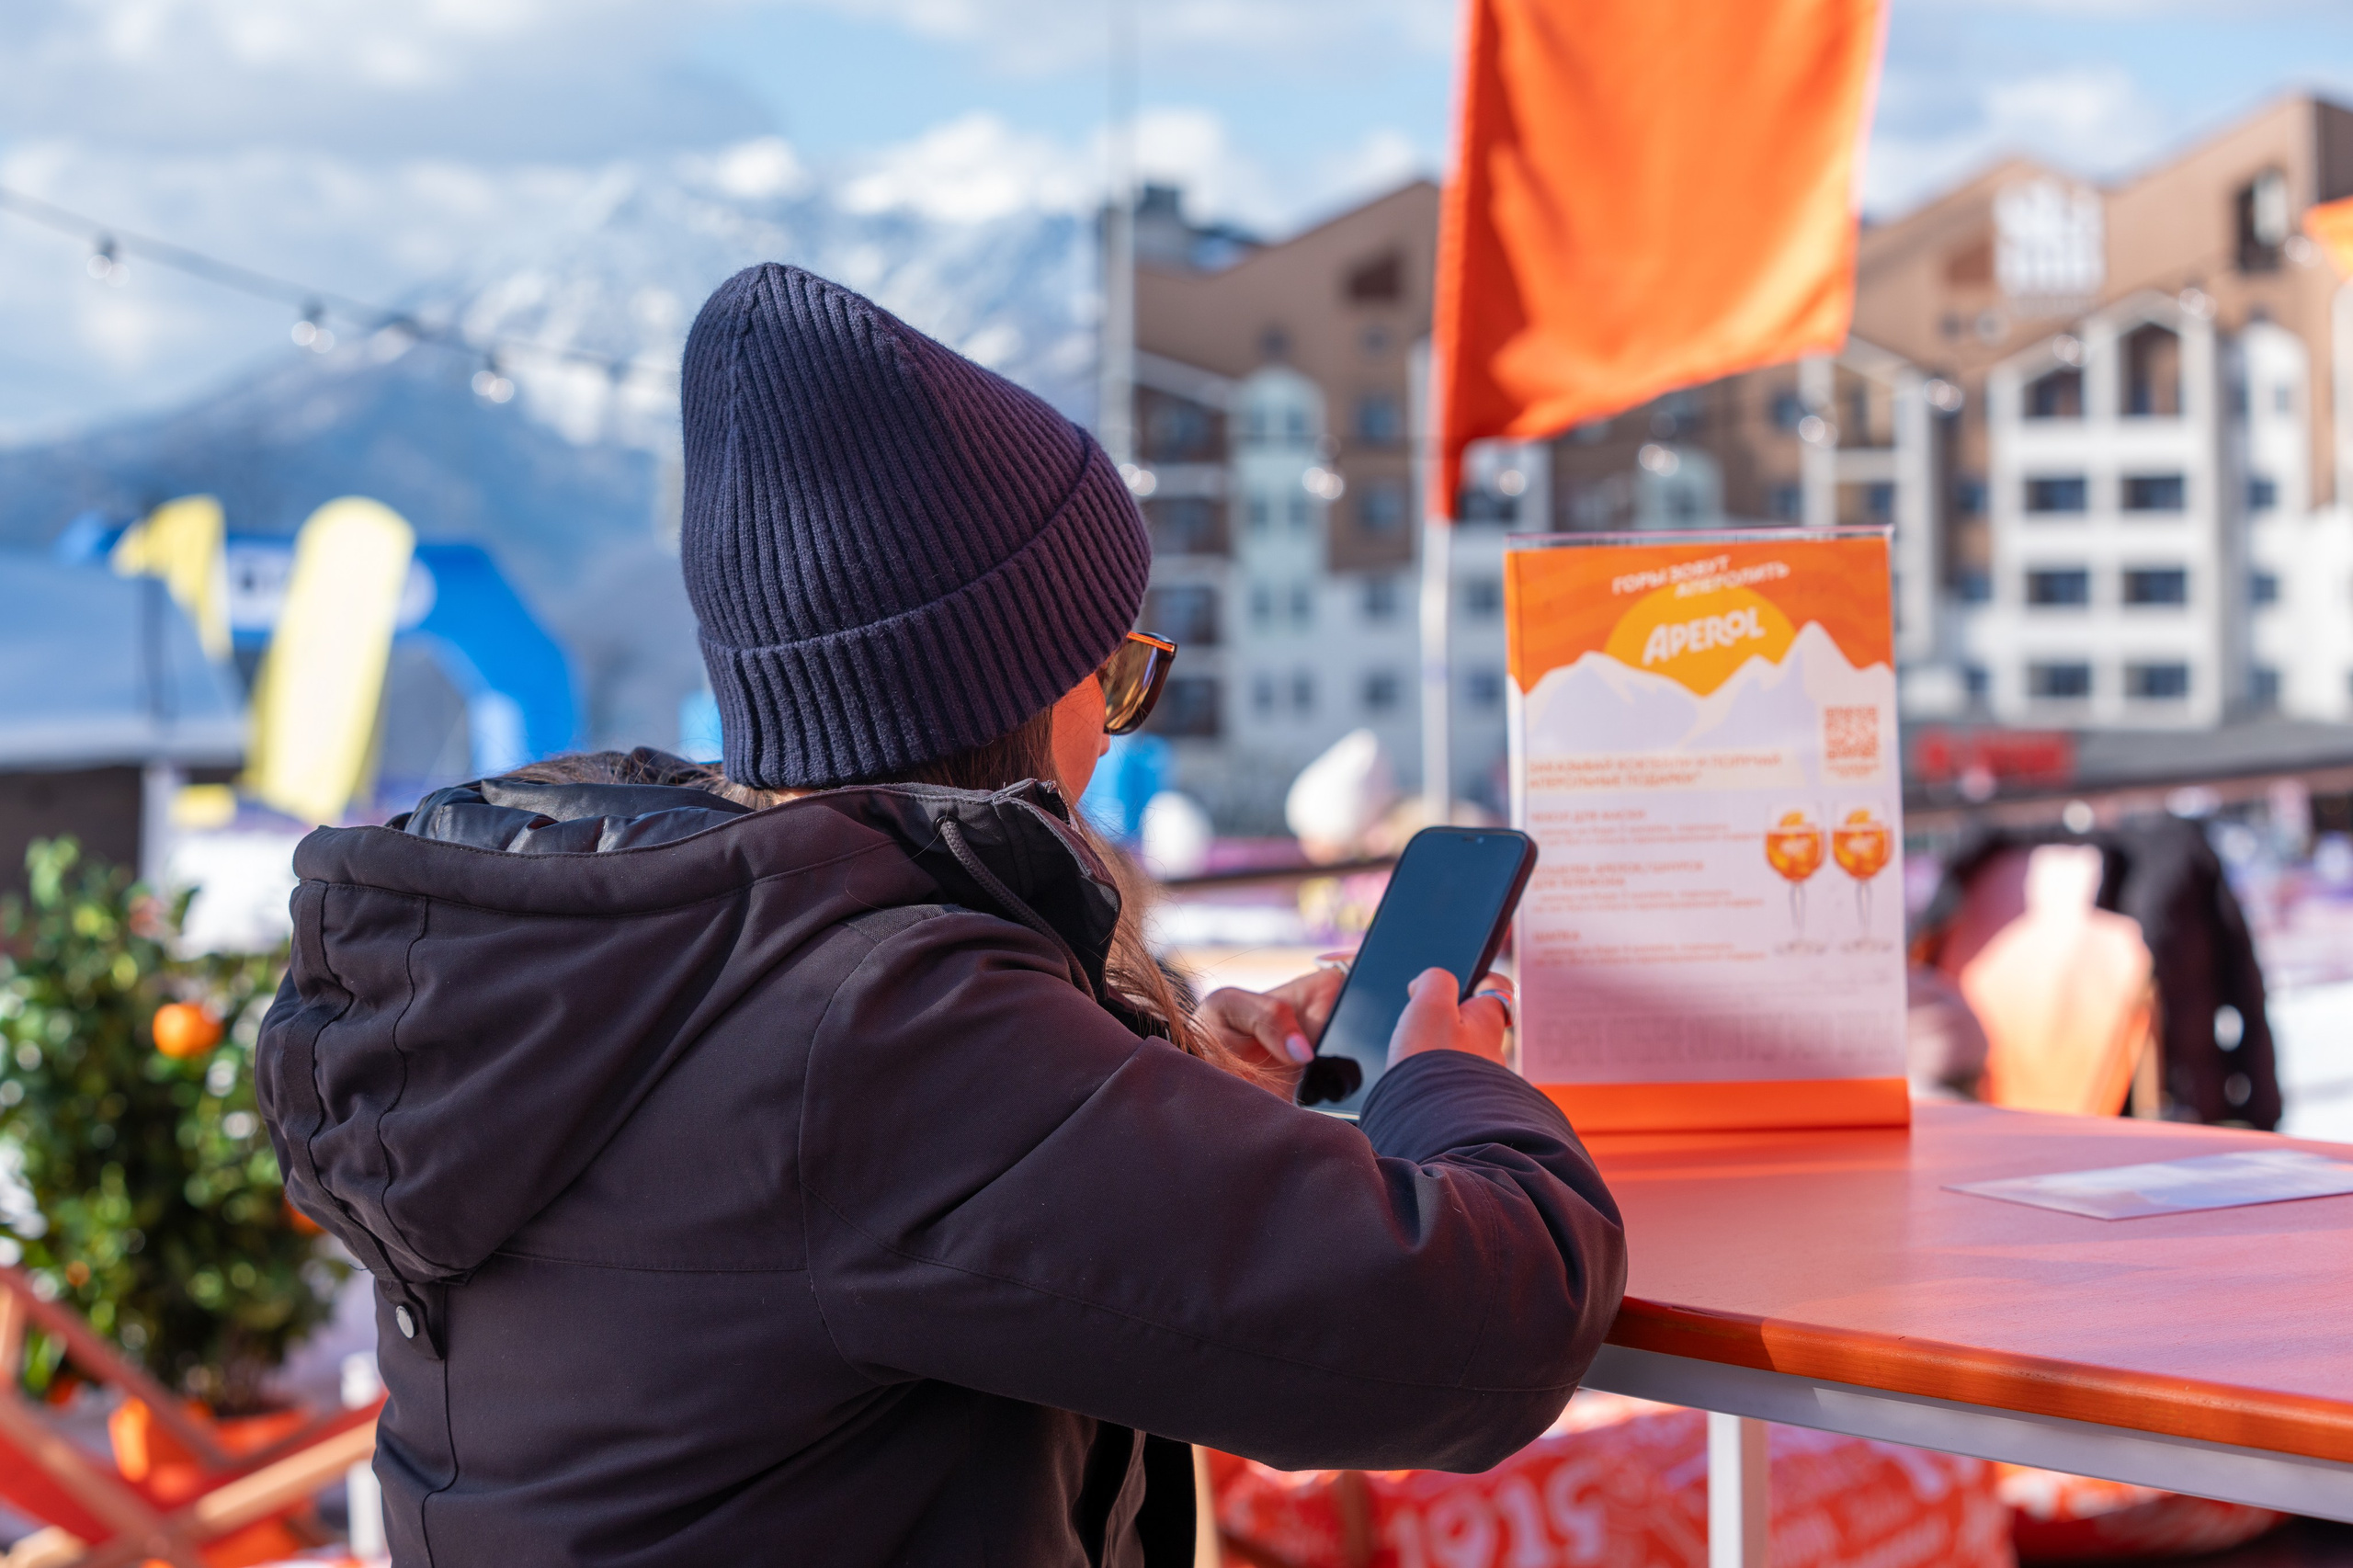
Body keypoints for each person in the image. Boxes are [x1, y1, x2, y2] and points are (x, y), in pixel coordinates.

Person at [258, 264, 1625, 1567]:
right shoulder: (875, 1034)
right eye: (1114, 672)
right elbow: (1484, 1319)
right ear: (1016, 694)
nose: (1112, 725)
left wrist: (1169, 1085)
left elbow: (837, 1226)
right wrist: (1449, 1078)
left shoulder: (644, 948)